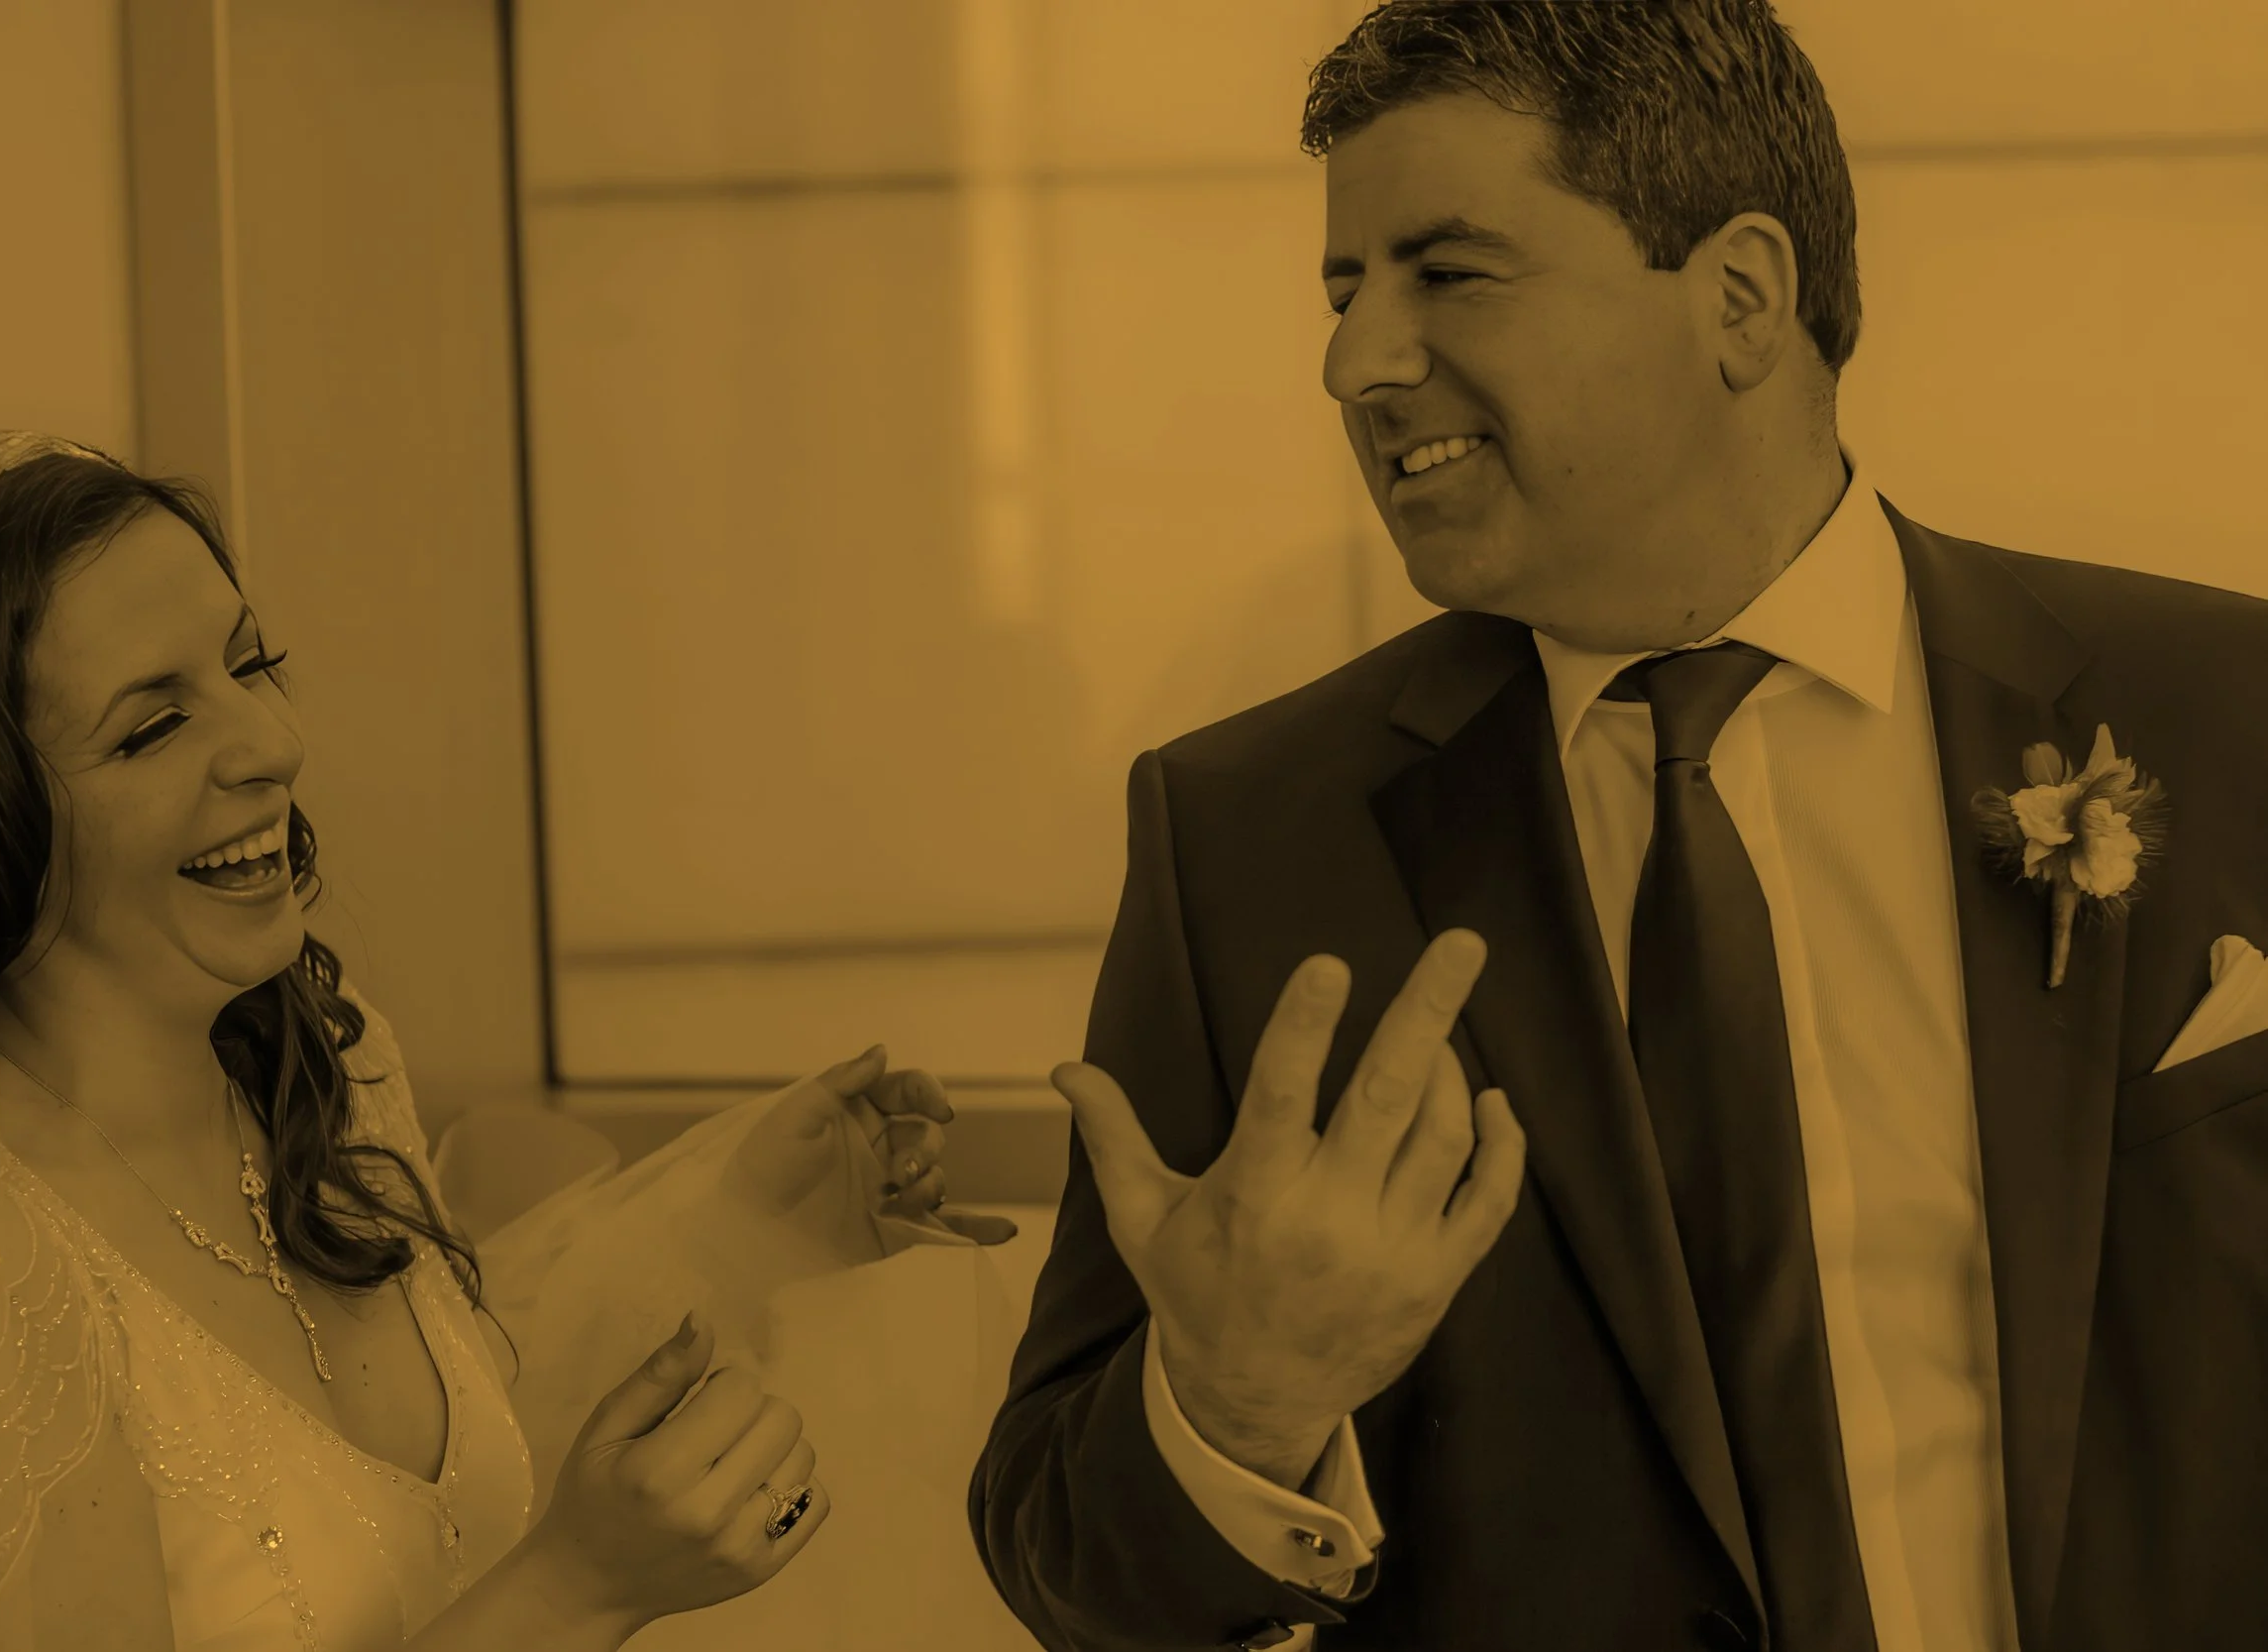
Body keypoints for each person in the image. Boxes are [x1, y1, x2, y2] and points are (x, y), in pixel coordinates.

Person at [970, 4, 2268, 1650]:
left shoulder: (2230, 719)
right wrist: (1234, 1408)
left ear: (1740, 297)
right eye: (1344, 291)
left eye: (1448, 274)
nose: (1356, 360)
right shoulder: (1250, 837)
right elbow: (1060, 1561)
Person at [0, 427, 1025, 1651]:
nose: (275, 746)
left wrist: (746, 1214)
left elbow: (444, 1478)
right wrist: (577, 1592)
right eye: (152, 728)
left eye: (251, 662)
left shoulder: (333, 1062)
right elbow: (507, 1570)